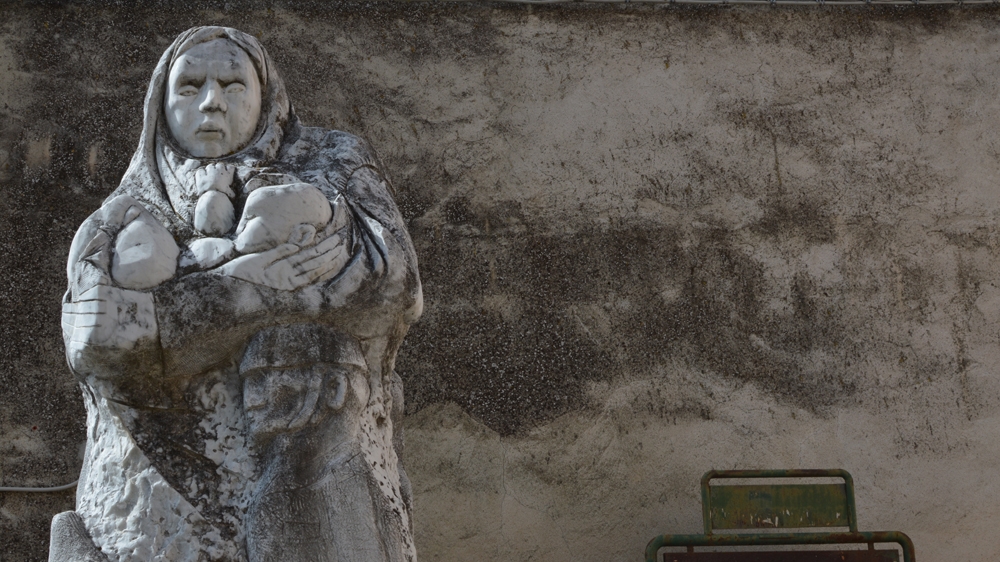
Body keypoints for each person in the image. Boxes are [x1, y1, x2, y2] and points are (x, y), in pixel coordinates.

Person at [55, 26, 422, 562]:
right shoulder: (124, 211)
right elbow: (94, 337)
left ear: (266, 97)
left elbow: (393, 283)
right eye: (190, 86)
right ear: (160, 105)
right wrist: (259, 284)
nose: (211, 102)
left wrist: (181, 310)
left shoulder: (333, 163)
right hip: (151, 508)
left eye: (232, 85)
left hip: (320, 483)